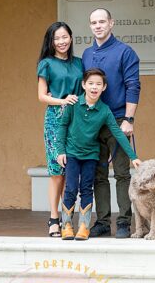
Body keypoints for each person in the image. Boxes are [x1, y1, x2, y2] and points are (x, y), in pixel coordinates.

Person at [55, 69, 140, 241]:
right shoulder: (73, 104)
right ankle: (67, 226)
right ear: (84, 85)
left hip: (91, 156)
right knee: (71, 188)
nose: (94, 87)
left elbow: (117, 133)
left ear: (104, 87)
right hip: (72, 154)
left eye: (98, 84)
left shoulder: (105, 110)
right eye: (91, 83)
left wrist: (133, 156)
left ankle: (84, 226)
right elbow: (62, 127)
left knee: (87, 188)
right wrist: (60, 151)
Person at [80, 8, 141, 238]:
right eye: (94, 22)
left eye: (102, 21)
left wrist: (129, 118)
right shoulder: (86, 54)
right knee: (98, 174)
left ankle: (124, 222)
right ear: (90, 26)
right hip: (92, 122)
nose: (98, 26)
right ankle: (103, 221)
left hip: (117, 119)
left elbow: (133, 86)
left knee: (123, 173)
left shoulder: (125, 52)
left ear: (111, 23)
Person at [36, 21, 84, 238]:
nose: (61, 41)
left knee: (72, 172)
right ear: (51, 42)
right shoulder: (46, 63)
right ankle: (54, 218)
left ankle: (68, 220)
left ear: (71, 38)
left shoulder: (79, 63)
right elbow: (41, 96)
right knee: (58, 173)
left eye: (65, 37)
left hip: (76, 120)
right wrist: (61, 100)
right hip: (55, 120)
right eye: (57, 38)